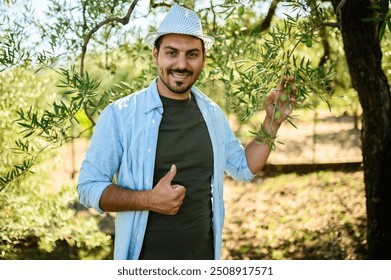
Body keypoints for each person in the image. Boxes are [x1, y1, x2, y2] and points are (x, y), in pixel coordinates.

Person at [77, 4, 297, 260]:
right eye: (172, 53)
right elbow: (88, 188)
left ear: (203, 58)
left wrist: (272, 123)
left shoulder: (212, 114)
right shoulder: (120, 115)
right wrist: (149, 200)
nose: (181, 64)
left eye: (192, 54)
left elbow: (244, 167)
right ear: (155, 54)